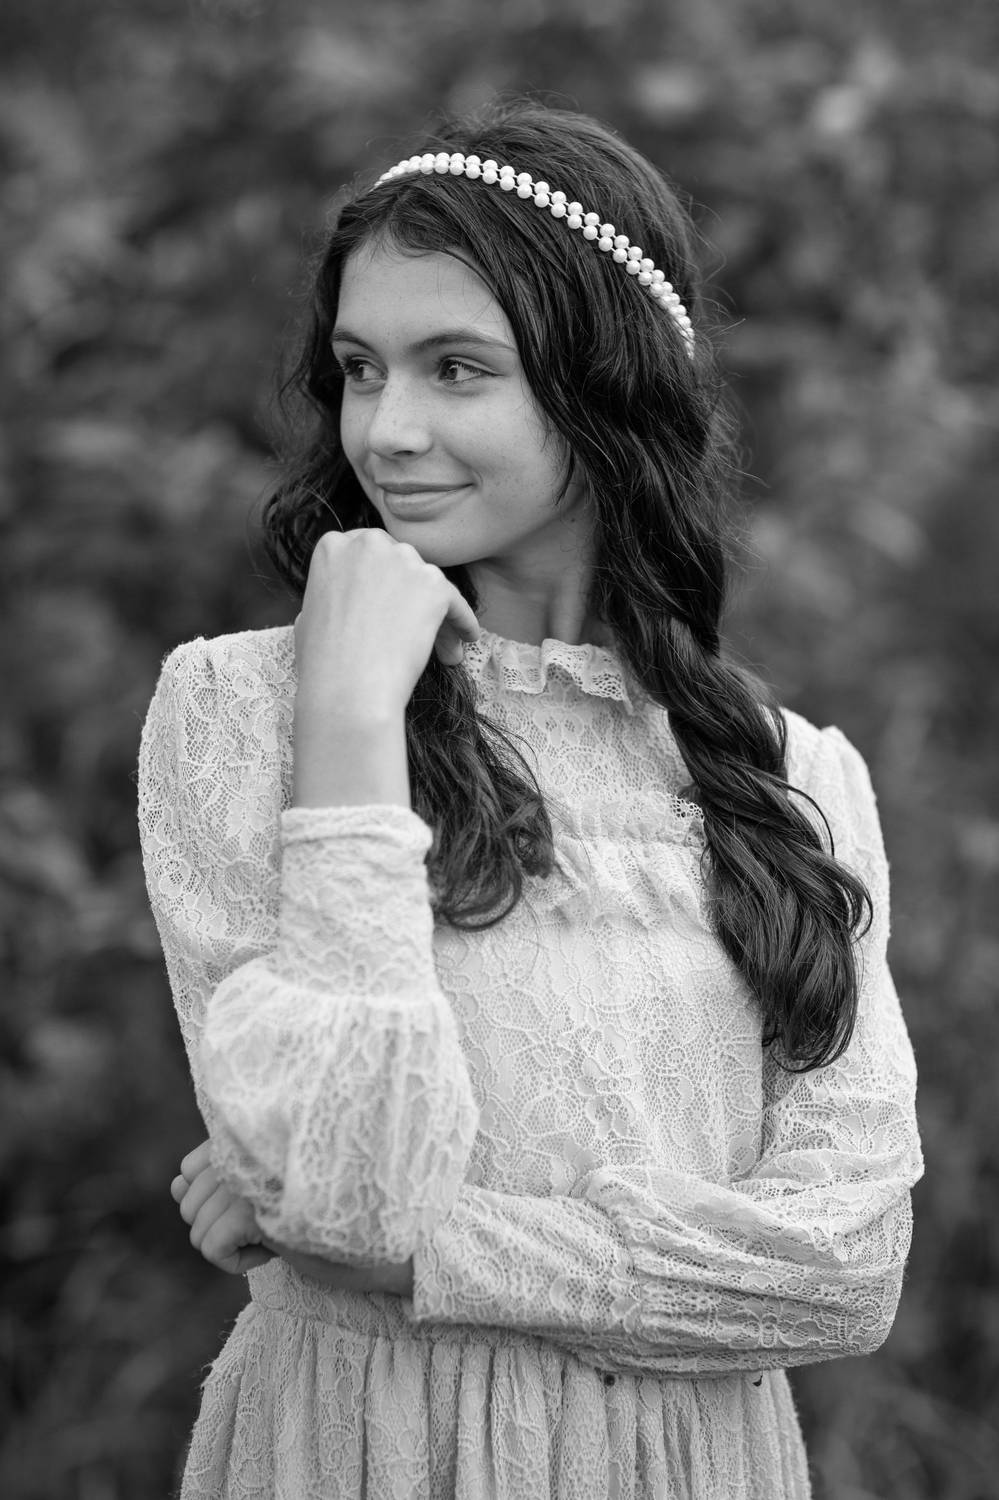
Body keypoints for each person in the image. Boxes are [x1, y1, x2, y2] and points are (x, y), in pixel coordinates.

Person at [139, 99, 923, 1500]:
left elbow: (843, 1273)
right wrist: (349, 715)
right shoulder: (243, 710)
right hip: (361, 1455)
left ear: (604, 385)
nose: (389, 430)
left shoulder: (797, 779)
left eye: (457, 369)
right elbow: (350, 1192)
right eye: (360, 369)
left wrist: (434, 1252)